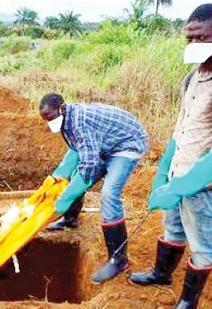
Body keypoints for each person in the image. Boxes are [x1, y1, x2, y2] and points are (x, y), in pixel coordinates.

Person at [129, 4, 212, 309]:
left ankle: (187, 303)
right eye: (190, 36)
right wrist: (163, 174)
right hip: (178, 171)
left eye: (203, 36)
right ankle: (161, 274)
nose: (195, 42)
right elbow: (179, 130)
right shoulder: (192, 77)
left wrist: (180, 187)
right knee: (173, 229)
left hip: (202, 185)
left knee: (201, 244)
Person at [39, 93, 148, 283]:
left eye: (52, 117)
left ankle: (118, 259)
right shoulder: (67, 120)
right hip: (105, 143)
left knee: (109, 193)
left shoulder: (81, 123)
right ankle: (69, 219)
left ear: (62, 108)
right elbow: (76, 151)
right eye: (46, 120)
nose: (51, 122)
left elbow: (88, 167)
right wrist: (57, 176)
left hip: (126, 144)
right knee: (73, 177)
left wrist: (64, 199)